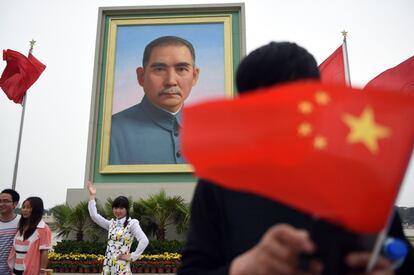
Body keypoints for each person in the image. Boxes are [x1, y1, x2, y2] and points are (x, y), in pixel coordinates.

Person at [178, 42, 414, 275]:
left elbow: (403, 261)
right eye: (265, 106)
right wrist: (244, 268)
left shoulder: (359, 182)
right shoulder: (219, 184)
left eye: (295, 101)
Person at [110, 35, 200, 165]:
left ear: (194, 76)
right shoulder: (112, 131)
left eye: (181, 69)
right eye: (159, 69)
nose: (170, 81)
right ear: (141, 76)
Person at [87, 181, 149, 274]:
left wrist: (132, 256)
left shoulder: (132, 223)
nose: (117, 211)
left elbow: (144, 240)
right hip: (108, 267)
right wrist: (92, 196)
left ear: (126, 209)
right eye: (115, 208)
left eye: (121, 208)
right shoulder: (111, 224)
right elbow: (94, 216)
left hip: (122, 269)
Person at [8, 197, 52, 275]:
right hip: (16, 270)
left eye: (29, 207)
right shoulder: (21, 227)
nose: (25, 210)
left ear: (36, 209)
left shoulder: (43, 228)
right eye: (23, 207)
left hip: (31, 270)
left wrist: (42, 271)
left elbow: (44, 251)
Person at [0, 189, 20, 274]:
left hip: (14, 271)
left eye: (6, 201)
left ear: (15, 204)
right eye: (0, 201)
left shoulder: (22, 222)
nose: (1, 204)